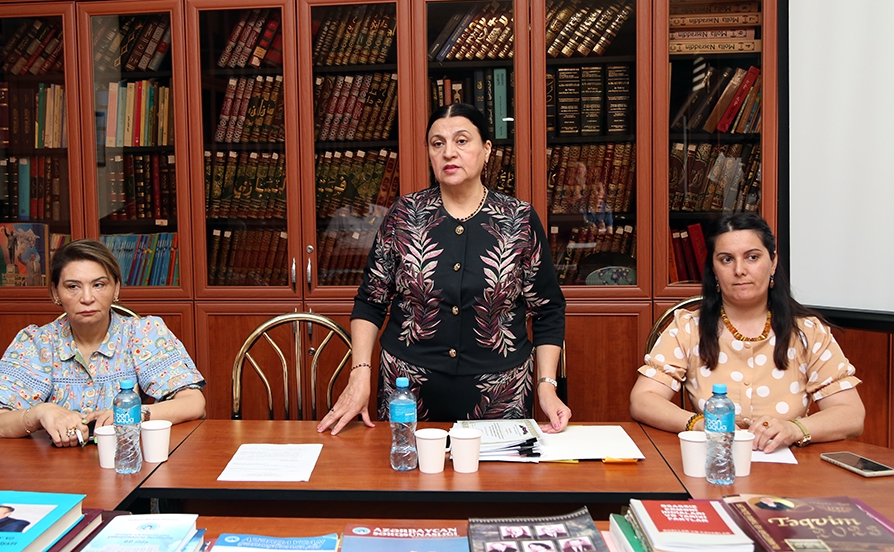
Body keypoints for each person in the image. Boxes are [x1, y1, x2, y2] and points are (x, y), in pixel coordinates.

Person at [317, 103, 569, 435]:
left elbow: (548, 310)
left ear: (486, 150)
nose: (449, 152)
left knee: (497, 471)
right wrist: (360, 372)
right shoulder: (404, 215)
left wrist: (546, 386)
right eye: (438, 143)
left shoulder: (518, 219)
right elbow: (371, 301)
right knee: (404, 468)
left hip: (500, 395)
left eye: (461, 141)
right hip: (408, 393)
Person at [630, 212, 865, 453]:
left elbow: (851, 414)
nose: (739, 270)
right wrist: (699, 423)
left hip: (790, 467)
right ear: (713, 269)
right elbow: (643, 399)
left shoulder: (808, 332)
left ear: (773, 262)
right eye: (726, 259)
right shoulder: (689, 327)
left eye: (752, 257)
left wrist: (794, 429)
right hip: (715, 460)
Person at [0, 239, 206, 446]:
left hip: (128, 462)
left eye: (98, 285)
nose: (87, 298)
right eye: (73, 286)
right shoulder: (37, 343)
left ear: (116, 288)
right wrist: (40, 413)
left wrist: (134, 414)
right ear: (55, 293)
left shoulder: (143, 333)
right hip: (53, 469)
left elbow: (194, 403)